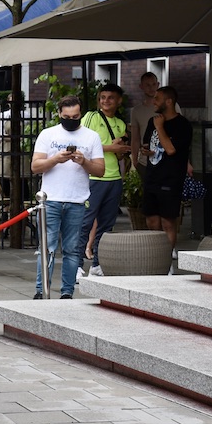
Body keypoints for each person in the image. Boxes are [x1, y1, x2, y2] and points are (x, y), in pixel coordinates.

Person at [31, 95, 105, 300]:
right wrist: (55, 159)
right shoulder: (48, 134)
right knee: (47, 248)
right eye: (66, 116)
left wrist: (83, 161)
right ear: (59, 114)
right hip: (50, 200)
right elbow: (35, 166)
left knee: (73, 250)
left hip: (77, 201)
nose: (71, 120)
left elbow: (100, 170)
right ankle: (41, 290)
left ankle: (67, 292)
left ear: (81, 114)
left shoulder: (91, 137)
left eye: (75, 116)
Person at [79, 83, 129, 278]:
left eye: (110, 98)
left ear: (119, 101)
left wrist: (121, 150)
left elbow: (118, 157)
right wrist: (111, 147)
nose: (106, 101)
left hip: (114, 177)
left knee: (107, 225)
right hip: (93, 177)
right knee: (85, 222)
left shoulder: (121, 124)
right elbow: (83, 146)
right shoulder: (91, 117)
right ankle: (77, 264)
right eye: (103, 97)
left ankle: (98, 265)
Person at [140, 86, 193, 255]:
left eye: (157, 98)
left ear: (168, 101)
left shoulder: (182, 125)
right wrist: (146, 150)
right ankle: (156, 255)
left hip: (170, 179)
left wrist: (160, 127)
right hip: (152, 176)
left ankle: (167, 259)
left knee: (168, 222)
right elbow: (149, 144)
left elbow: (170, 149)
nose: (153, 102)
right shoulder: (152, 122)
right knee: (151, 220)